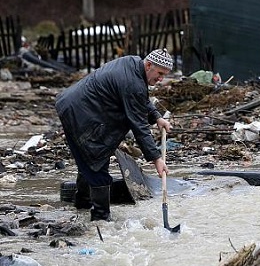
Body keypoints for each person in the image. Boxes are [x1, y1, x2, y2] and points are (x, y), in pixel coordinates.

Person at [55, 48, 174, 221]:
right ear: (148, 65)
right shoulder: (133, 82)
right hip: (79, 113)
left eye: (165, 75)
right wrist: (156, 159)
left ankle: (82, 205)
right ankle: (101, 219)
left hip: (74, 106)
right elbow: (139, 125)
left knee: (88, 161)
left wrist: (156, 117)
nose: (161, 79)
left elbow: (140, 96)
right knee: (97, 164)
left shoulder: (133, 64)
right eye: (160, 73)